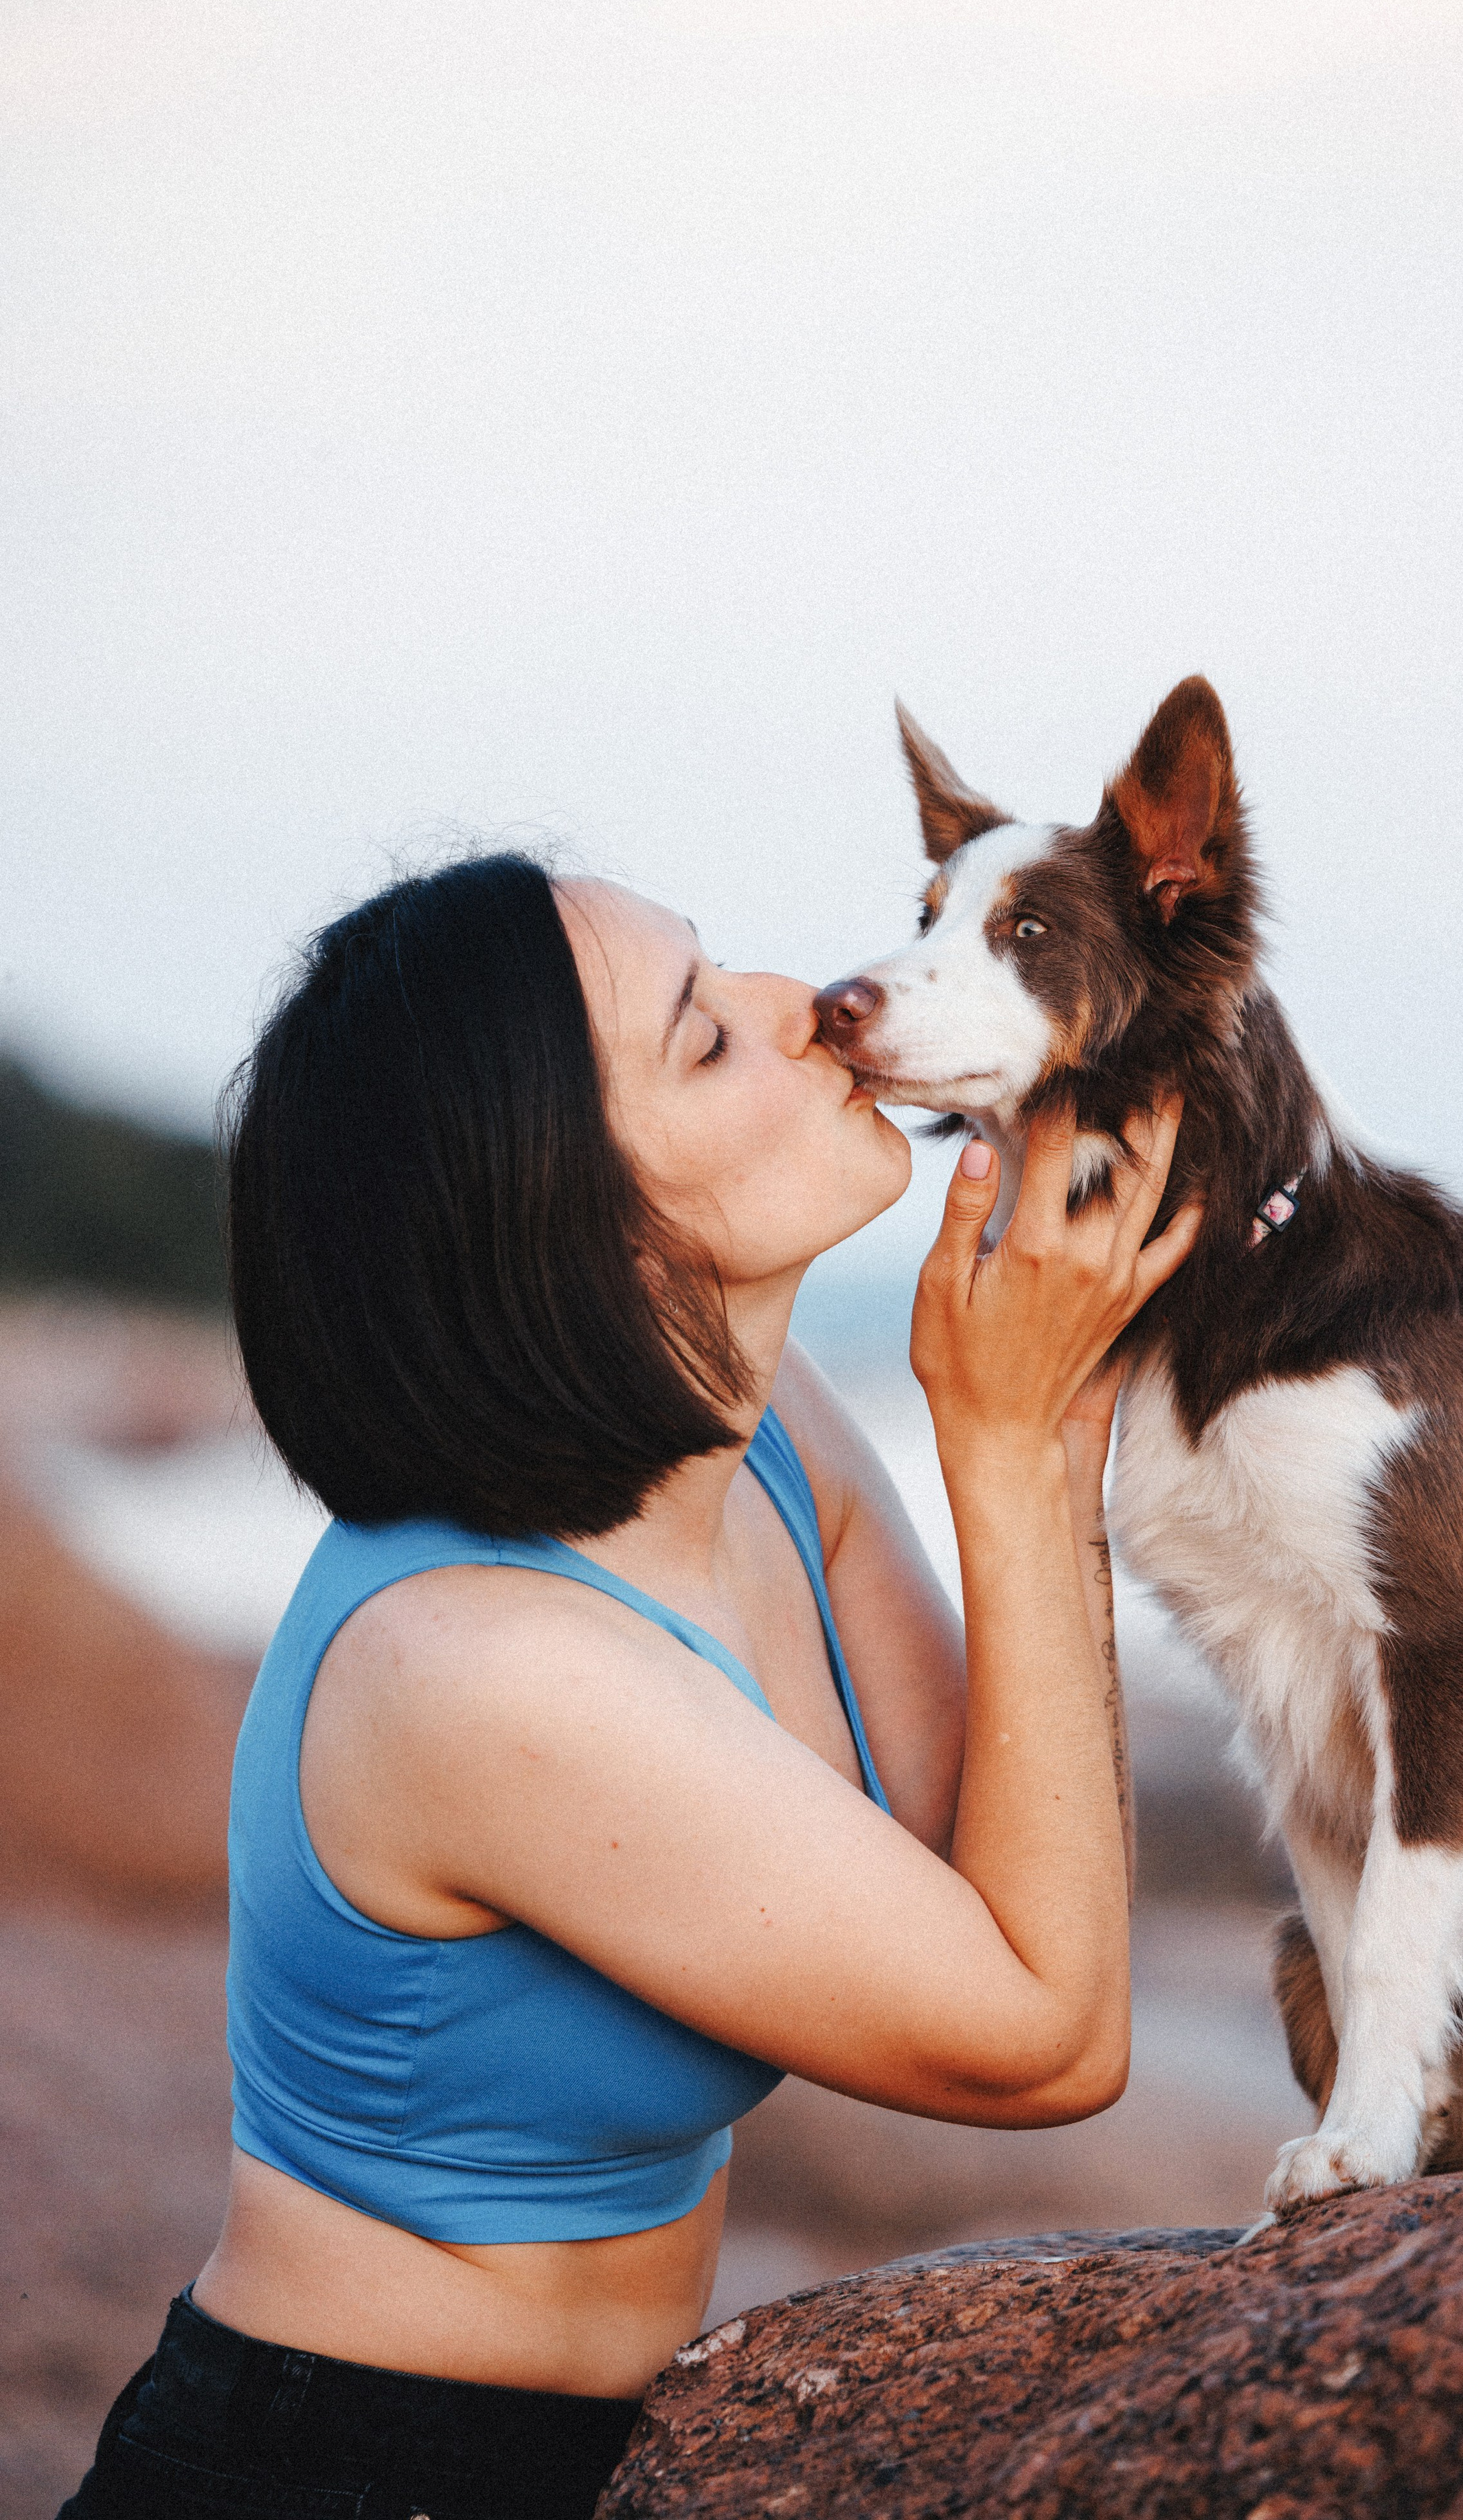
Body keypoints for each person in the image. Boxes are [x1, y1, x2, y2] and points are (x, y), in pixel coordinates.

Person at [61, 852, 1199, 2519]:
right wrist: (1016, 1437)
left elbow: (992, 1855)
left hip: (589, 2447)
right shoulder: (478, 1663)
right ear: (574, 1227)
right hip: (335, 2464)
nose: (795, 1006)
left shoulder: (763, 1423)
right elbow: (1044, 2033)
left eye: (720, 968)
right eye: (702, 1040)